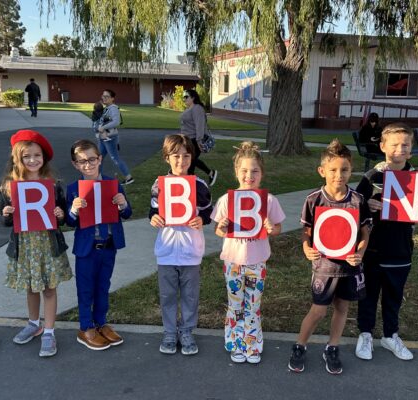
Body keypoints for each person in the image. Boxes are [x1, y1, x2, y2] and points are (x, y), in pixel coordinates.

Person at [354, 123, 418, 362]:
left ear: (411, 149)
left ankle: (390, 335)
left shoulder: (417, 180)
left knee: (394, 296)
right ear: (382, 147)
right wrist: (366, 205)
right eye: (394, 144)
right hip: (372, 249)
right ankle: (366, 333)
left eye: (405, 145)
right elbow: (354, 209)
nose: (400, 149)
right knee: (368, 295)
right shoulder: (372, 177)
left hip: (401, 251)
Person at [288, 139, 372, 375]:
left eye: (344, 170)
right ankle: (300, 345)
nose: (339, 175)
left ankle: (332, 347)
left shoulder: (357, 200)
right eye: (333, 170)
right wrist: (306, 247)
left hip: (349, 266)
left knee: (342, 307)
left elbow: (365, 231)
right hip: (324, 266)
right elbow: (306, 231)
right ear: (322, 171)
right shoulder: (314, 199)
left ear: (351, 170)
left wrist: (360, 252)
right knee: (318, 310)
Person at [0, 129, 73, 357]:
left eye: (36, 155)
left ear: (44, 157)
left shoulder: (52, 184)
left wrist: (60, 214)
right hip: (25, 245)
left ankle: (49, 331)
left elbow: (62, 217)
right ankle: (34, 323)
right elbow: (6, 222)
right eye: (26, 156)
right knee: (31, 287)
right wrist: (6, 213)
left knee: (49, 288)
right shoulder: (9, 187)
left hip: (47, 244)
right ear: (17, 159)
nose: (32, 160)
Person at [212, 141, 285, 364]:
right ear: (236, 172)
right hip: (233, 261)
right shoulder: (226, 200)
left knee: (252, 306)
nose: (249, 176)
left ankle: (252, 344)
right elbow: (218, 230)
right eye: (244, 171)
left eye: (255, 171)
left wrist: (273, 229)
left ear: (262, 173)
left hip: (257, 262)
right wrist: (221, 227)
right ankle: (235, 344)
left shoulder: (269, 200)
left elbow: (278, 226)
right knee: (235, 305)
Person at [149, 134, 213, 356]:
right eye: (175, 156)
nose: (181, 161)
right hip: (166, 251)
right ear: (167, 157)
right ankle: (169, 331)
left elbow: (208, 213)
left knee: (190, 295)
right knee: (167, 295)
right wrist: (153, 218)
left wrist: (201, 219)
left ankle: (186, 331)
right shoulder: (159, 185)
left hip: (190, 251)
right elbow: (154, 211)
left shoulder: (200, 185)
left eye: (186, 156)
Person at [66, 139, 132, 350]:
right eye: (82, 161)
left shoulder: (113, 185)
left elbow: (127, 213)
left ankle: (101, 323)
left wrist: (123, 204)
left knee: (103, 287)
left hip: (108, 246)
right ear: (75, 164)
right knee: (85, 289)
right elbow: (69, 221)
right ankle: (86, 327)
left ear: (100, 159)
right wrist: (74, 209)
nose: (88, 164)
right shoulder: (73, 189)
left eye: (92, 159)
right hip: (87, 249)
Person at [96, 89, 134, 185]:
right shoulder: (107, 108)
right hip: (103, 138)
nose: (104, 98)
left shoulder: (113, 108)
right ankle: (97, 177)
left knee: (115, 158)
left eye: (107, 96)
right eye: (103, 96)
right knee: (98, 158)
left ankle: (128, 177)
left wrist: (103, 127)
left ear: (112, 98)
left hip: (110, 138)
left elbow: (116, 122)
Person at [180, 89, 217, 186]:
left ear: (193, 97)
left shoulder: (197, 108)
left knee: (190, 161)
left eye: (186, 97)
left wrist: (199, 141)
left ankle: (190, 182)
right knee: (191, 161)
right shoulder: (189, 108)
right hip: (187, 140)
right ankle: (209, 173)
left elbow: (199, 125)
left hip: (194, 140)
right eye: (183, 97)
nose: (184, 99)